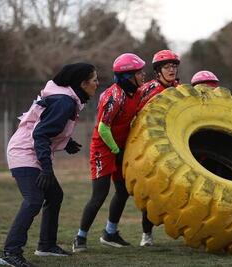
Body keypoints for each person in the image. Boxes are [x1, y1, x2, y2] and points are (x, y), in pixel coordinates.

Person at [0, 63, 99, 267]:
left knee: (54, 195)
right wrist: (46, 168)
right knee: (34, 199)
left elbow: (45, 126)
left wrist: (67, 142)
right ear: (82, 83)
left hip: (32, 150)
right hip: (25, 152)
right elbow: (40, 133)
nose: (98, 83)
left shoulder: (66, 99)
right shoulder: (64, 102)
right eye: (95, 79)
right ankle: (10, 252)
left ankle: (46, 245)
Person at [72, 53, 148, 252]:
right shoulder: (114, 96)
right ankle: (80, 238)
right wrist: (116, 150)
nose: (143, 75)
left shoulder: (137, 92)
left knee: (123, 191)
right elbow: (103, 128)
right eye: (139, 72)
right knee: (100, 195)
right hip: (103, 149)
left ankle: (110, 233)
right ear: (128, 75)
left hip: (120, 148)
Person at [134, 49, 180, 246]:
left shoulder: (179, 89)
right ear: (158, 71)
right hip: (150, 147)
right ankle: (146, 234)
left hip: (174, 147)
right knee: (151, 192)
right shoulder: (148, 90)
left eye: (174, 66)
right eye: (167, 67)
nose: (171, 70)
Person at [189, 70, 232, 181]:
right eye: (205, 91)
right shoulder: (190, 111)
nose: (209, 94)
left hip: (220, 156)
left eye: (212, 90)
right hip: (199, 157)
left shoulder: (224, 109)